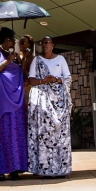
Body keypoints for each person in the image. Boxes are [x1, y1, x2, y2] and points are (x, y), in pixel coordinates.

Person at [0, 28, 27, 181]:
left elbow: (21, 75)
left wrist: (20, 60)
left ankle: (15, 168)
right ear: (4, 39)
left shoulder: (16, 57)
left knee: (15, 134)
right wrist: (7, 61)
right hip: (1, 102)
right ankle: (0, 170)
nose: (13, 42)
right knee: (1, 133)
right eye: (11, 39)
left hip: (16, 101)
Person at [27, 36, 72, 177]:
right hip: (43, 104)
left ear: (53, 45)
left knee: (60, 136)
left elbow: (68, 78)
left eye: (46, 42)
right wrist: (43, 80)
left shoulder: (60, 59)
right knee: (43, 134)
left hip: (59, 103)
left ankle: (61, 168)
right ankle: (43, 168)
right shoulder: (37, 60)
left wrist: (57, 79)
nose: (44, 45)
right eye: (42, 43)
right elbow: (31, 79)